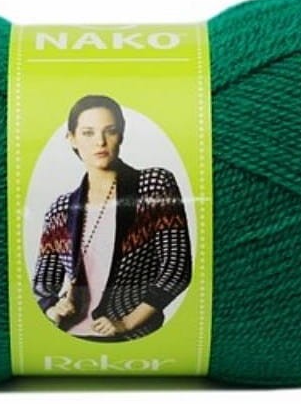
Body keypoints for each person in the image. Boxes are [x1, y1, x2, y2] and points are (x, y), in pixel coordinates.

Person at [32, 95, 192, 341]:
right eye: (88, 133)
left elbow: (177, 269)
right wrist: (53, 308)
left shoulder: (154, 185)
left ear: (122, 135)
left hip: (132, 336)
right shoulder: (60, 210)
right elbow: (43, 283)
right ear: (71, 138)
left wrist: (127, 323)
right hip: (68, 334)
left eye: (110, 131)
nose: (100, 141)